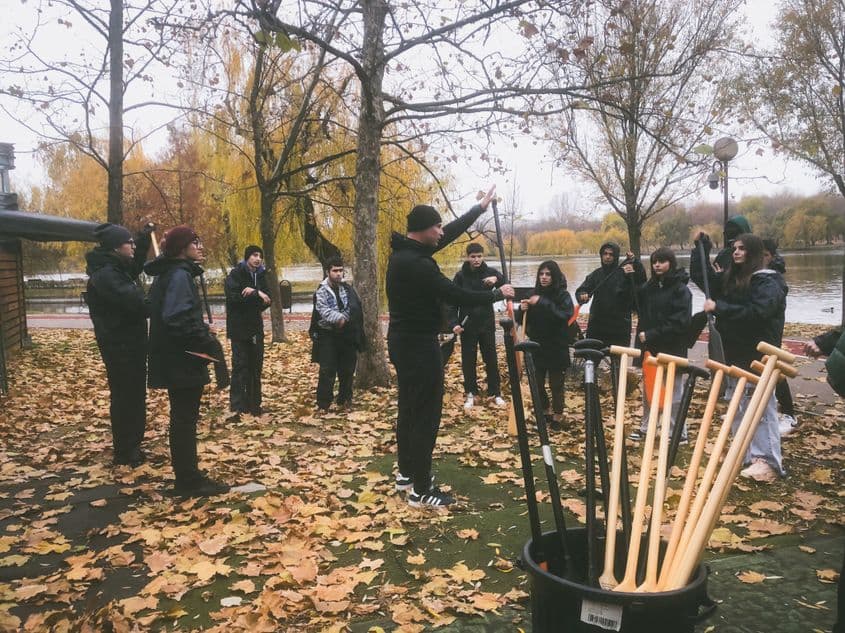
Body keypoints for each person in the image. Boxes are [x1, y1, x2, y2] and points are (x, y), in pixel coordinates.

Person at [386, 186, 515, 508]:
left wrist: (478, 209)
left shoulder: (406, 252)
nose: (442, 232)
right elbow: (456, 295)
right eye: (438, 227)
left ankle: (406, 473)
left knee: (409, 409)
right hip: (417, 346)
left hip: (404, 341)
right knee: (426, 416)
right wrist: (498, 294)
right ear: (424, 230)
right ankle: (420, 489)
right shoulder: (418, 265)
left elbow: (450, 233)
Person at [145, 226, 229, 497]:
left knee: (182, 418)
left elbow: (177, 315)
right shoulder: (180, 275)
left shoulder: (172, 273)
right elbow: (177, 319)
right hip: (182, 359)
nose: (201, 246)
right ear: (182, 248)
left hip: (176, 357)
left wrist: (201, 326)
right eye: (196, 242)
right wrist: (204, 338)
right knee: (184, 419)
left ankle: (188, 476)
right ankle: (188, 481)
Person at [699, 233, 786, 482]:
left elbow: (759, 313)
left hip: (757, 355)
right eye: (734, 248)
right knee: (738, 408)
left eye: (742, 249)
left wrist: (720, 308)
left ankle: (767, 462)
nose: (736, 252)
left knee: (759, 408)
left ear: (755, 253)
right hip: (735, 354)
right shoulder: (738, 281)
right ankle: (746, 455)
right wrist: (700, 248)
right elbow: (702, 279)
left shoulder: (768, 282)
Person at [84, 222, 153, 467]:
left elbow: (133, 270)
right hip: (120, 346)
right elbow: (138, 303)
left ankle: (131, 445)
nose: (132, 245)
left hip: (127, 344)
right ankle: (125, 450)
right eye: (129, 242)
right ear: (115, 247)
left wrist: (144, 240)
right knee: (126, 396)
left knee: (132, 394)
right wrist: (161, 292)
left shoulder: (112, 267)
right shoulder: (106, 276)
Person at [628, 247, 692, 442]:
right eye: (654, 261)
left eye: (661, 261)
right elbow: (634, 301)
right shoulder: (650, 287)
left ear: (670, 263)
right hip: (650, 348)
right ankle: (647, 427)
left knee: (673, 391)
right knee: (649, 388)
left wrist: (652, 334)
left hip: (672, 346)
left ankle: (677, 431)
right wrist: (633, 273)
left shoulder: (682, 290)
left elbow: (680, 321)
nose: (657, 265)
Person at [514, 260, 573, 430]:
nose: (544, 277)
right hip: (536, 346)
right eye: (541, 274)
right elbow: (520, 320)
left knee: (556, 383)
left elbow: (564, 316)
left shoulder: (563, 295)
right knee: (537, 382)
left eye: (548, 274)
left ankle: (558, 414)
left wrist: (541, 302)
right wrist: (522, 309)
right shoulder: (532, 294)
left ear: (554, 276)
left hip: (557, 345)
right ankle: (545, 410)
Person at [448, 243, 505, 409]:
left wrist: (497, 280)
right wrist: (454, 323)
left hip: (486, 323)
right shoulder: (460, 276)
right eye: (473, 256)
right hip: (467, 325)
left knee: (491, 359)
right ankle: (471, 393)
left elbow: (506, 284)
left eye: (479, 256)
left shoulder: (490, 272)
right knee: (468, 361)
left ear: (483, 256)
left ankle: (495, 392)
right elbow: (451, 302)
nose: (476, 259)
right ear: (467, 257)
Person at [224, 245, 271, 419]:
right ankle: (237, 406)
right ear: (247, 257)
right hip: (238, 329)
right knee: (239, 367)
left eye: (260, 256)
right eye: (254, 255)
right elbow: (234, 298)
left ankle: (254, 405)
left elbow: (267, 300)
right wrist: (256, 295)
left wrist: (256, 293)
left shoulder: (262, 275)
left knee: (255, 367)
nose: (258, 259)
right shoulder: (236, 274)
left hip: (255, 328)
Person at [313, 256, 365, 412]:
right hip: (328, 334)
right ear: (328, 272)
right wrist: (338, 318)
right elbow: (322, 310)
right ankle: (323, 404)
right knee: (327, 369)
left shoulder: (347, 288)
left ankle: (345, 399)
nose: (338, 274)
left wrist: (345, 318)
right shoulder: (321, 290)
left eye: (341, 270)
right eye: (335, 271)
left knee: (347, 369)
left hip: (347, 334)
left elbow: (354, 306)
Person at [576, 242, 645, 348]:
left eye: (611, 254)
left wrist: (635, 262)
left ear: (616, 256)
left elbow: (641, 280)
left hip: (619, 326)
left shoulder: (625, 273)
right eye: (605, 254)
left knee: (617, 362)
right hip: (597, 325)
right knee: (591, 360)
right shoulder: (595, 275)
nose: (607, 257)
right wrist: (582, 295)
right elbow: (582, 290)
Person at [761, 239, 797, 437]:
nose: (762, 259)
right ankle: (766, 410)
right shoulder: (755, 275)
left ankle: (790, 415)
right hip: (757, 331)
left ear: (772, 256)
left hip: (770, 330)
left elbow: (769, 305)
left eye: (766, 255)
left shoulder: (775, 278)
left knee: (775, 369)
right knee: (760, 370)